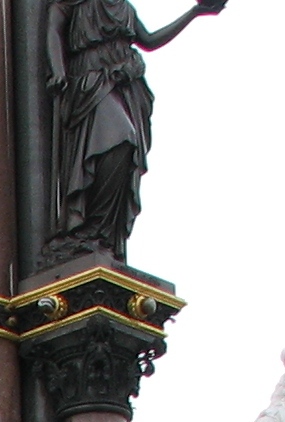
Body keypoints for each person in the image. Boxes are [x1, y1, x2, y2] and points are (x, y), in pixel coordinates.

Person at [41, 0, 227, 264]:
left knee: (127, 154)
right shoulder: (73, 2)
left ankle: (101, 233)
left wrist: (195, 12)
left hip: (127, 85)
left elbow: (149, 40)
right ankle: (86, 226)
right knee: (119, 140)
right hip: (92, 82)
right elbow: (54, 29)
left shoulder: (123, 6)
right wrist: (57, 69)